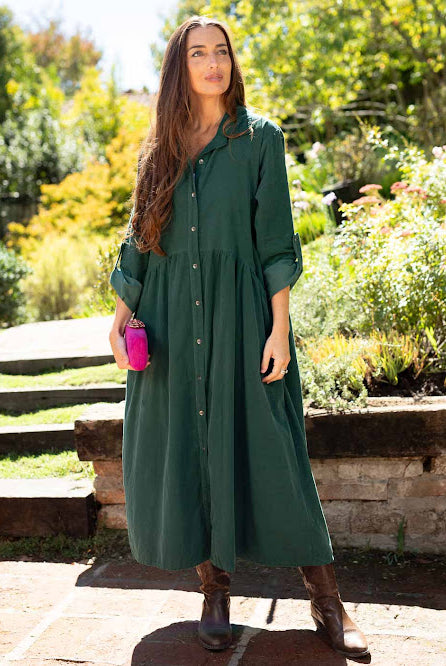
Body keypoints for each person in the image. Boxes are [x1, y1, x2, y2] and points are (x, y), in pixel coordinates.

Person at [108, 15, 370, 659]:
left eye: (221, 51)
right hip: (171, 321)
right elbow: (140, 238)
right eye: (198, 53)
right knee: (193, 451)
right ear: (180, 67)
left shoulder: (260, 139)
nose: (213, 63)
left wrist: (279, 327)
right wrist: (120, 314)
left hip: (244, 318)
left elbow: (276, 241)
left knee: (277, 452)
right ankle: (214, 592)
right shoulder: (160, 150)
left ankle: (328, 601)